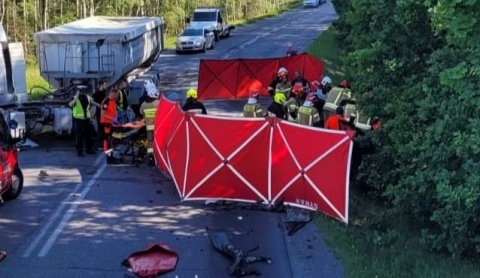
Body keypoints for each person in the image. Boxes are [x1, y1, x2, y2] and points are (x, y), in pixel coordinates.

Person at [68, 85, 95, 157]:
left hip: (87, 119)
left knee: (88, 135)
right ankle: (79, 151)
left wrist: (92, 116)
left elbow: (91, 106)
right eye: (80, 91)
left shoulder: (88, 97)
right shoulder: (74, 98)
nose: (82, 92)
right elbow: (70, 104)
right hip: (78, 119)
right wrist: (76, 97)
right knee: (78, 136)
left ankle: (88, 150)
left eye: (83, 91)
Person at [139, 81, 160, 162]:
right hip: (157, 127)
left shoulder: (144, 104)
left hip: (148, 127)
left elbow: (141, 112)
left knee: (150, 143)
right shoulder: (157, 103)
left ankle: (151, 157)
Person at [100, 89, 121, 164]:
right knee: (107, 141)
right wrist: (112, 118)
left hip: (111, 123)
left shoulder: (113, 101)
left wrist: (116, 118)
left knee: (110, 141)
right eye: (117, 95)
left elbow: (114, 111)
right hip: (106, 124)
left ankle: (110, 156)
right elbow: (103, 114)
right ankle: (109, 158)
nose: (118, 96)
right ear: (113, 93)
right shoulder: (106, 101)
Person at [92, 80, 108, 149]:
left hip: (104, 113)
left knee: (103, 129)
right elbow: (92, 100)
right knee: (100, 129)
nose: (106, 87)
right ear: (101, 85)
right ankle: (100, 145)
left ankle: (103, 144)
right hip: (99, 113)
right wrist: (98, 105)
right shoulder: (97, 93)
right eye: (105, 85)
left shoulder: (104, 93)